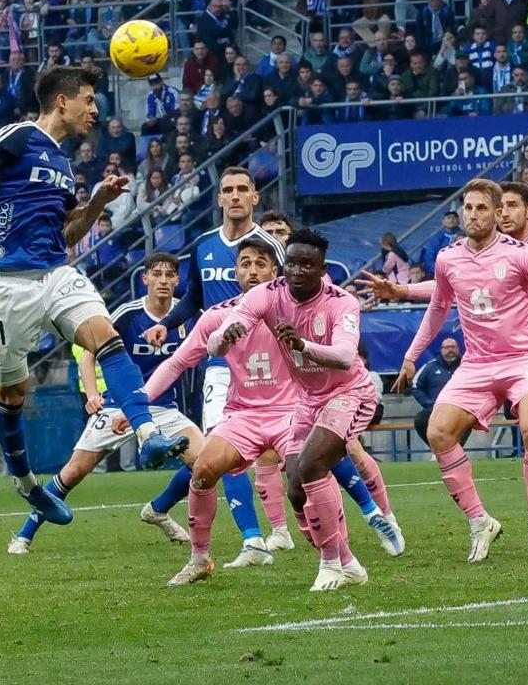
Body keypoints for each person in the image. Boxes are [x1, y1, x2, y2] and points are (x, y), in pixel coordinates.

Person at [0, 65, 187, 525]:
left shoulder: (62, 161)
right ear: (62, 101)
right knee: (12, 392)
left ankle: (147, 430)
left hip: (54, 271)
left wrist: (96, 202)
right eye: (89, 100)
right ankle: (26, 482)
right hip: (1, 280)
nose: (95, 110)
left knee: (107, 337)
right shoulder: (16, 136)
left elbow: (68, 233)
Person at [365, 182, 528, 552]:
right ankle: (489, 521)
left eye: (505, 207)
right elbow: (454, 290)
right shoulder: (455, 256)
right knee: (519, 439)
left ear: (525, 211)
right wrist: (405, 294)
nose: (498, 214)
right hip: (499, 360)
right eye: (473, 208)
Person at [210, 230, 395, 592]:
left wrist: (303, 344)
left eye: (306, 264)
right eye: (291, 262)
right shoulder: (268, 294)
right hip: (307, 399)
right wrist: (226, 336)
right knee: (295, 489)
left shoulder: (342, 302)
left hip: (349, 392)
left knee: (312, 466)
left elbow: (344, 357)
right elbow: (220, 340)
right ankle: (348, 562)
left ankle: (332, 563)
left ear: (322, 269)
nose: (296, 270)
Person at [7, 255, 206, 555]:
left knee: (206, 463)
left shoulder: (187, 315)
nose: (163, 280)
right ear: (145, 279)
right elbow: (90, 354)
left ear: (178, 281)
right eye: (157, 274)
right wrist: (91, 394)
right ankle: (23, 535)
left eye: (170, 275)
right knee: (73, 472)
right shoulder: (128, 313)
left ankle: (158, 509)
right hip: (118, 407)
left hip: (165, 408)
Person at [152, 240, 325, 583]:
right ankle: (200, 559)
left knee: (305, 476)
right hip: (243, 414)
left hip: (291, 409)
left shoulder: (295, 310)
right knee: (203, 468)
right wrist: (140, 402)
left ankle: (336, 554)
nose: (252, 271)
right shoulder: (218, 317)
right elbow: (176, 364)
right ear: (236, 273)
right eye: (245, 264)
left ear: (275, 272)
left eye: (261, 264)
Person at [141, 167, 287, 548]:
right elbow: (193, 296)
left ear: (255, 197)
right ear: (219, 198)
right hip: (221, 363)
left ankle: (372, 517)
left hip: (271, 364)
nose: (235, 196)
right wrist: (168, 324)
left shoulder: (270, 246)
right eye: (228, 190)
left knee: (308, 451)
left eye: (243, 189)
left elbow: (289, 299)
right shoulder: (203, 244)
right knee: (220, 447)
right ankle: (254, 540)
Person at [410, 337, 461, 448]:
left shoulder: (466, 366)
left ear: (458, 349)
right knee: (420, 420)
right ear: (441, 350)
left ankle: (455, 450)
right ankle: (438, 449)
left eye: (453, 347)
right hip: (435, 409)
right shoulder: (430, 367)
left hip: (460, 409)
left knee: (469, 421)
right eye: (447, 347)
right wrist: (429, 403)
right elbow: (415, 386)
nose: (450, 350)